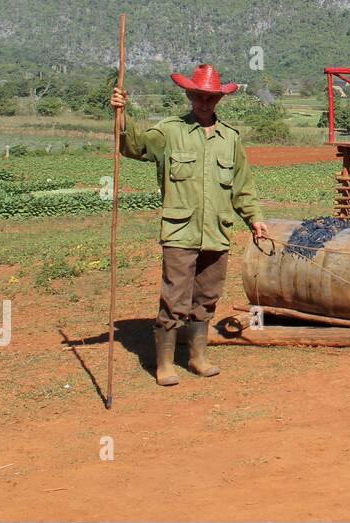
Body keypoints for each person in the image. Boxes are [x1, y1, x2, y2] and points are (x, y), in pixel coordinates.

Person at [110, 64, 270, 386]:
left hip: (216, 231)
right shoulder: (170, 131)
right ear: (188, 94)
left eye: (210, 97)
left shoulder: (231, 139)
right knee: (174, 298)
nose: (204, 102)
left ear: (218, 100)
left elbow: (242, 187)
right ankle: (165, 365)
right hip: (180, 231)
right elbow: (133, 146)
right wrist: (120, 115)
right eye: (198, 95)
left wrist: (255, 219)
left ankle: (197, 357)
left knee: (207, 296)